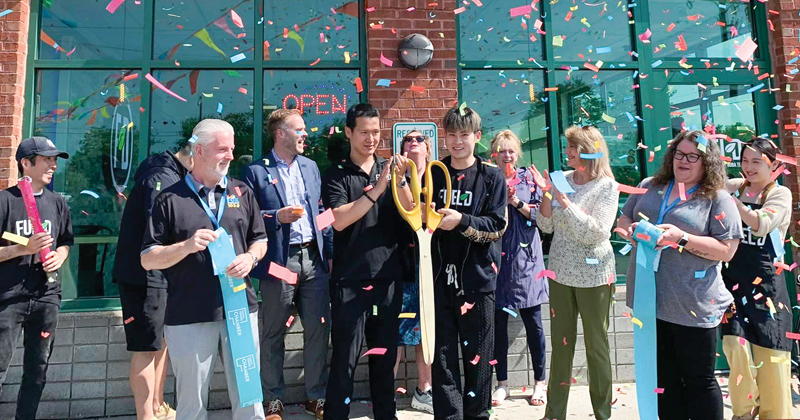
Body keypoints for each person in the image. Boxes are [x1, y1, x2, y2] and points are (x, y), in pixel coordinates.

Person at [141, 119, 268, 420]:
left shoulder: (242, 192)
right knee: (191, 405)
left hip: (240, 310)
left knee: (250, 400)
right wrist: (185, 246)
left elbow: (260, 239)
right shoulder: (169, 198)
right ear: (198, 150)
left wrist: (250, 258)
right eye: (222, 149)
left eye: (232, 149)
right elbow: (148, 258)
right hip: (189, 315)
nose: (230, 156)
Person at [617, 129, 742, 420]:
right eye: (679, 154)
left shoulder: (717, 198)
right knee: (664, 382)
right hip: (650, 304)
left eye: (692, 156)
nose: (683, 161)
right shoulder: (650, 185)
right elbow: (625, 218)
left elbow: (727, 251)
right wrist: (631, 232)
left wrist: (681, 237)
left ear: (707, 162)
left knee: (699, 382)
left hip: (693, 306)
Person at [321, 103, 413, 420]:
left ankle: (386, 415)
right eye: (364, 132)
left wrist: (400, 181)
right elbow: (339, 221)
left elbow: (411, 212)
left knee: (385, 358)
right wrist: (378, 189)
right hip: (349, 279)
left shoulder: (389, 169)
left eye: (376, 132)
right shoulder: (336, 173)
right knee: (345, 358)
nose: (371, 139)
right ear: (349, 133)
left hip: (388, 277)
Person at [243, 109, 333, 420]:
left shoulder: (310, 167)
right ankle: (273, 401)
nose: (305, 134)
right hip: (279, 262)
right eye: (300, 129)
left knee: (318, 331)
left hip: (314, 259)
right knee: (272, 333)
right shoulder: (255, 171)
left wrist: (329, 252)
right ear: (281, 133)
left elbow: (321, 211)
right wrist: (275, 217)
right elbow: (247, 219)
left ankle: (316, 397)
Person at [429, 106, 508, 420]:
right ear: (444, 137)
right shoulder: (434, 173)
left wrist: (461, 220)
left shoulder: (491, 177)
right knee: (442, 360)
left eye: (464, 134)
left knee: (479, 360)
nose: (457, 141)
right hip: (438, 281)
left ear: (477, 137)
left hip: (478, 281)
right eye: (452, 135)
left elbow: (497, 226)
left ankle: (478, 416)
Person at [535, 126, 618, 420]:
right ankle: (554, 413)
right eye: (568, 147)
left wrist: (565, 201)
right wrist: (547, 192)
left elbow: (596, 232)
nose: (567, 152)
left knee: (597, 347)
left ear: (590, 151)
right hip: (559, 274)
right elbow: (545, 227)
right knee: (561, 345)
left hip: (594, 277)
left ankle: (602, 414)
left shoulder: (607, 186)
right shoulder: (562, 180)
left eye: (573, 147)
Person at [114, 141, 192, 420]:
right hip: (143, 277)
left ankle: (158, 408)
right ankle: (145, 415)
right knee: (146, 348)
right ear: (196, 151)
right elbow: (160, 228)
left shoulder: (173, 175)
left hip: (161, 275)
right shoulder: (161, 177)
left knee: (160, 344)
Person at [0, 137, 73, 420]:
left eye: (55, 159)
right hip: (9, 298)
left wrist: (61, 256)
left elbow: (66, 241)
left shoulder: (57, 202)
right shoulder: (5, 200)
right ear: (26, 163)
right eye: (46, 159)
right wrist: (22, 249)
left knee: (38, 370)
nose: (53, 165)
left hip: (47, 296)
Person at [721, 138, 794, 420]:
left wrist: (732, 203)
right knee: (733, 344)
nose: (749, 168)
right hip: (732, 283)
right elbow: (702, 187)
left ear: (773, 165)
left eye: (757, 162)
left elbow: (762, 223)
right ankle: (743, 412)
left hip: (767, 287)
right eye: (745, 161)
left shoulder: (779, 195)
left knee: (772, 357)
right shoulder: (733, 187)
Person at [488, 130, 548, 407]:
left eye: (511, 150)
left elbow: (543, 217)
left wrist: (517, 202)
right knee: (498, 325)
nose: (507, 155)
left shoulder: (529, 178)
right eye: (502, 150)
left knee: (533, 323)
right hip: (496, 259)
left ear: (518, 152)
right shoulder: (488, 177)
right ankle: (502, 384)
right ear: (494, 153)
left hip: (527, 260)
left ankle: (540, 382)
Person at [392, 130, 433, 414]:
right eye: (408, 139)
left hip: (431, 267)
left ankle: (424, 391)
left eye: (420, 139)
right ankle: (386, 394)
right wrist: (403, 177)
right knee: (395, 333)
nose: (414, 142)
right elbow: (411, 210)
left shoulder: (439, 178)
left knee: (426, 333)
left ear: (429, 150)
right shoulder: (393, 179)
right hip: (400, 266)